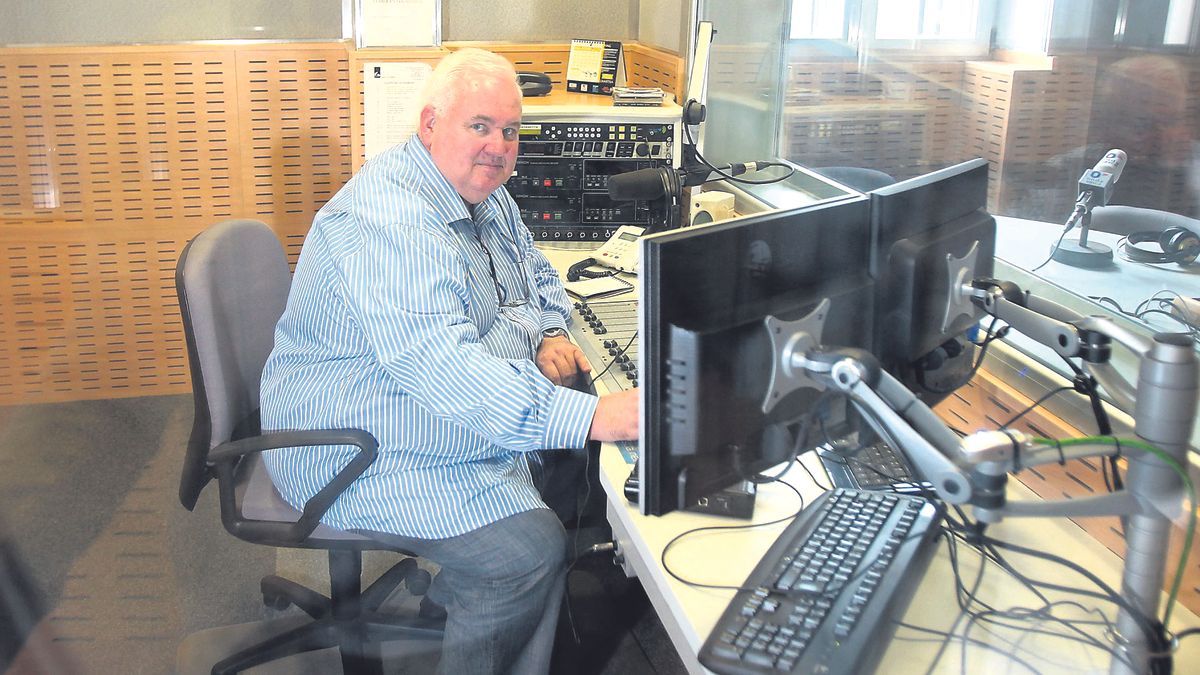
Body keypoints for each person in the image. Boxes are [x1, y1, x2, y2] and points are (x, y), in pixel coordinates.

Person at [259, 48, 639, 674]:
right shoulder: (392, 219)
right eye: (480, 126)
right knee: (525, 551)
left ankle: (467, 605)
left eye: (510, 132)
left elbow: (536, 275)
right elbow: (446, 368)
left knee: (552, 463)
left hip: (410, 404)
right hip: (347, 438)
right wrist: (596, 417)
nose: (498, 146)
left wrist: (541, 330)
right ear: (430, 124)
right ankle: (487, 604)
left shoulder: (484, 195)